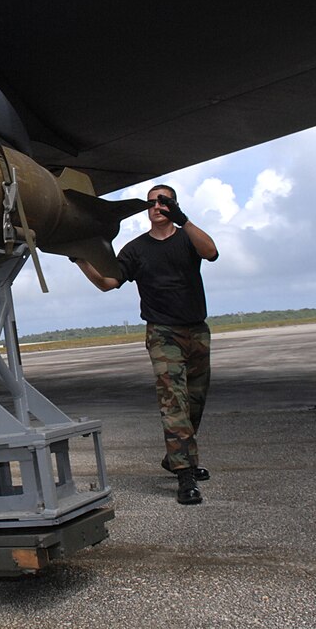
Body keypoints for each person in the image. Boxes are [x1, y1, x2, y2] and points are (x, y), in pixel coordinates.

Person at [73, 184, 218, 505]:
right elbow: (109, 282)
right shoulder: (136, 249)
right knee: (174, 403)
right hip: (163, 333)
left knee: (195, 401)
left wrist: (185, 221)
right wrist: (81, 260)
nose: (157, 207)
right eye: (152, 202)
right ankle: (184, 474)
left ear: (174, 207)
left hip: (197, 330)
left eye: (164, 202)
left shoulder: (187, 238)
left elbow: (211, 252)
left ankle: (176, 457)